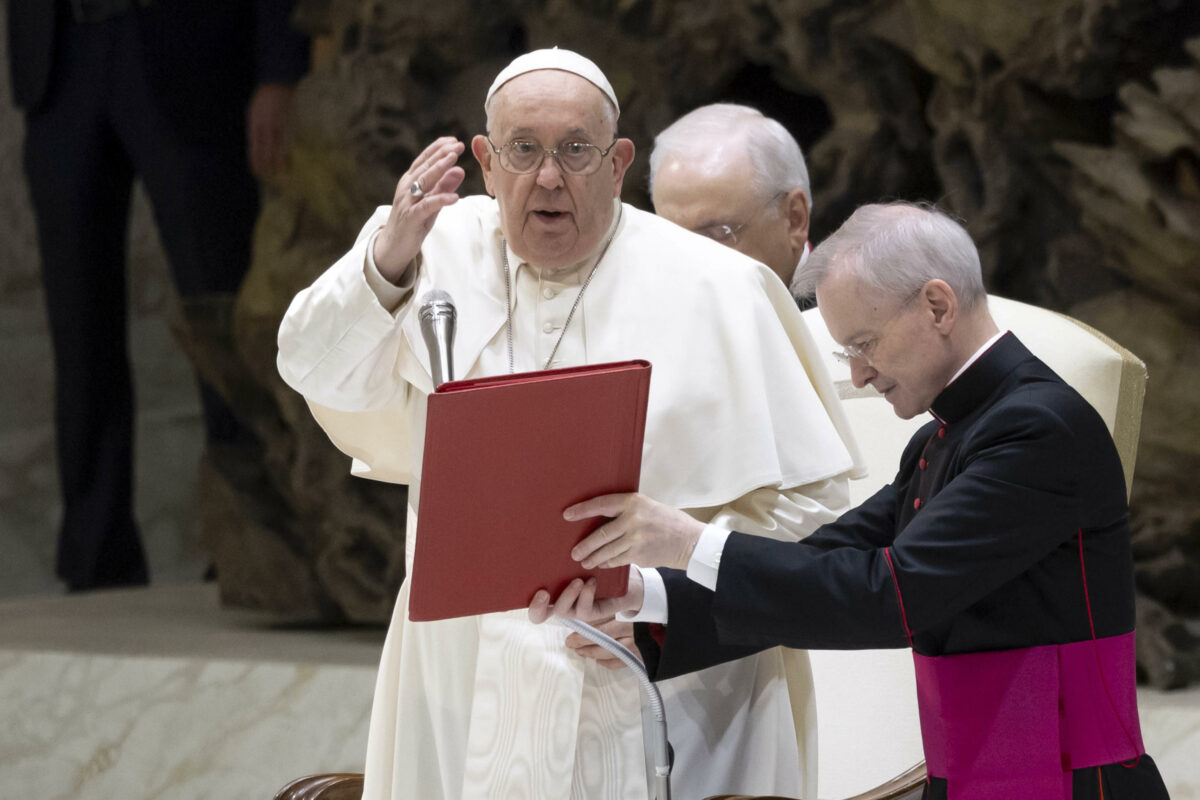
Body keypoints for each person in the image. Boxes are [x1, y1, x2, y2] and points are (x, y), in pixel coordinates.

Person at [277, 48, 864, 800]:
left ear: (619, 163)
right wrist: (385, 261)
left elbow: (812, 515)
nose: (548, 176)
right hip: (462, 666)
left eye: (575, 150)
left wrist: (662, 595)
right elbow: (310, 366)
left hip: (661, 680)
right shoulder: (427, 250)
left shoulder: (721, 287)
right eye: (523, 149)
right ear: (487, 161)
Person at [530, 201, 1171, 800]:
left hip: (1069, 779)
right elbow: (827, 557)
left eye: (863, 344)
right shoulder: (942, 437)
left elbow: (889, 595)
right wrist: (647, 595)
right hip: (974, 774)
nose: (858, 373)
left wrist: (688, 540)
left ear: (938, 306)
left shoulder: (1036, 429)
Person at [7, 0, 310, 591]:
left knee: (219, 322)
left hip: (187, 49)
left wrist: (278, 69)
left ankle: (251, 541)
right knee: (78, 333)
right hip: (59, 60)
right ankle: (95, 561)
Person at [649, 103, 813, 289]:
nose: (688, 266)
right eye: (671, 241)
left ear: (794, 219)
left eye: (717, 234)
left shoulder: (839, 314)